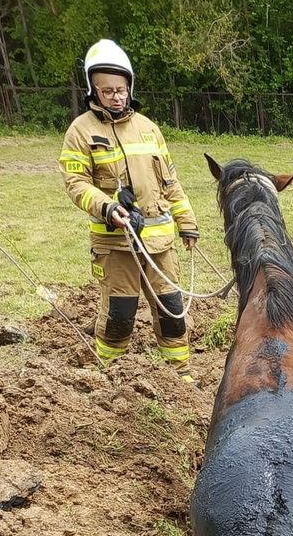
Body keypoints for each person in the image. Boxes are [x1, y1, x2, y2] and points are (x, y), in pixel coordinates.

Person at [58, 39, 200, 382]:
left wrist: (188, 223)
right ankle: (111, 380)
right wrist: (107, 207)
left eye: (120, 90)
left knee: (172, 312)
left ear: (129, 86)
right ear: (93, 89)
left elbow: (170, 182)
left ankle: (180, 377)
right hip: (116, 244)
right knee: (119, 316)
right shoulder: (81, 131)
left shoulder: (149, 129)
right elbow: (76, 183)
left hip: (160, 244)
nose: (116, 97)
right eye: (107, 91)